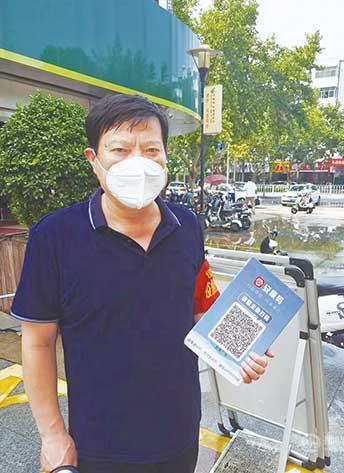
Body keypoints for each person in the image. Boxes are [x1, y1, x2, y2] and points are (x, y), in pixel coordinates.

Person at [11, 95, 273, 473]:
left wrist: (240, 351)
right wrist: (52, 436)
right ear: (93, 159)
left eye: (151, 149)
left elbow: (199, 308)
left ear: (165, 157)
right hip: (99, 445)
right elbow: (37, 342)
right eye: (120, 149)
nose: (138, 161)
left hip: (180, 435)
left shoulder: (187, 227)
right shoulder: (54, 236)